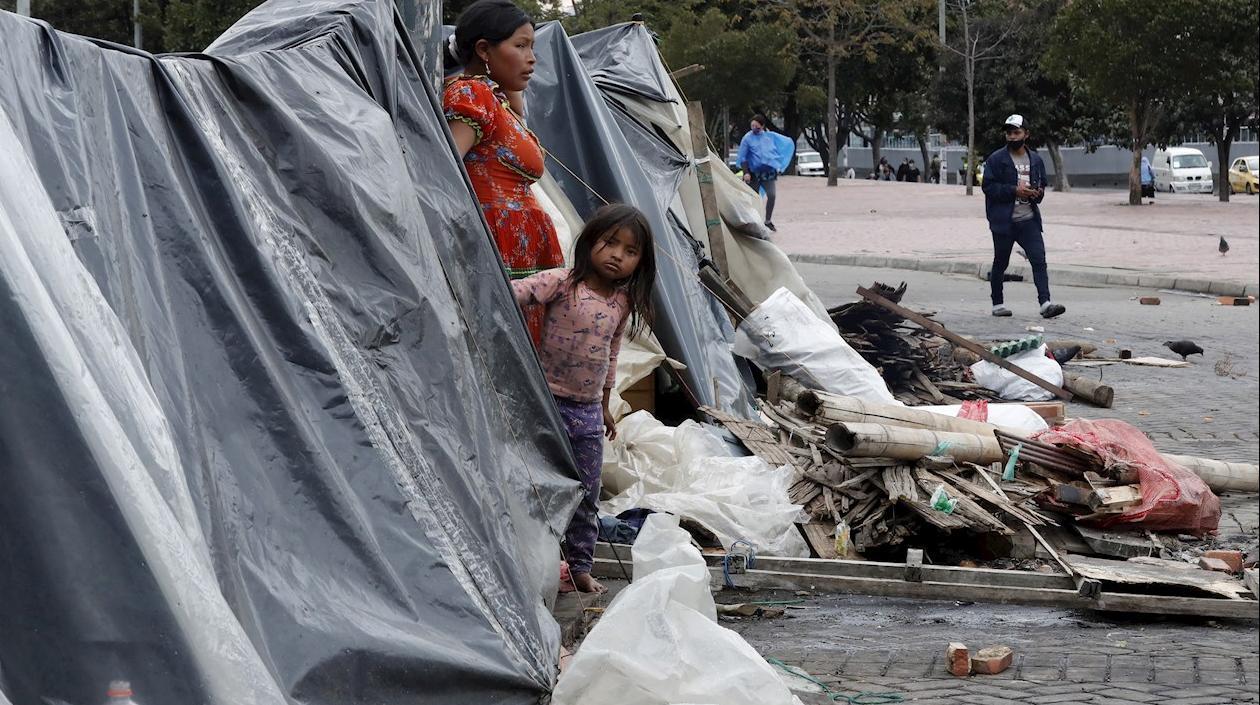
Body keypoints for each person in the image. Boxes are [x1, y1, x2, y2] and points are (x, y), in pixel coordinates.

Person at [511, 204, 657, 594]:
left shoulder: (621, 304)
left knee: (585, 493)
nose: (617, 255)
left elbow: (611, 355)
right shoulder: (563, 283)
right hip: (545, 404)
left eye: (630, 251)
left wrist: (606, 404)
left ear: (639, 262)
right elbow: (519, 293)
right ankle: (530, 560)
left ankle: (579, 567)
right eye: (611, 243)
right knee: (537, 485)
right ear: (591, 241)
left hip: (588, 410)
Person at [443, 0, 562, 345]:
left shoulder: (496, 99)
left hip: (519, 247)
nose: (532, 57)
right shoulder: (472, 93)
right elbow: (447, 167)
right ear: (484, 49)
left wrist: (505, 80)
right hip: (498, 247)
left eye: (532, 47)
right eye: (520, 46)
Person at [982, 114, 1064, 319]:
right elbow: (988, 187)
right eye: (1009, 132)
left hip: (1029, 220)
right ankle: (997, 304)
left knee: (1039, 259)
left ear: (1026, 134)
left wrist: (1037, 193)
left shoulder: (1035, 159)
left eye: (1016, 132)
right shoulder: (996, 159)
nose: (1012, 136)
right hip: (1004, 222)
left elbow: (1042, 184)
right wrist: (1014, 191)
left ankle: (1045, 303)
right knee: (1001, 262)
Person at [737, 114, 782, 231]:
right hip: (753, 174)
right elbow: (743, 157)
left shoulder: (768, 137)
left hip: (768, 173)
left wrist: (776, 165)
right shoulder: (747, 138)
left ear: (762, 126)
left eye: (757, 126)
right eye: (752, 126)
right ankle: (754, 221)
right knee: (754, 198)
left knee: (772, 195)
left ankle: (768, 220)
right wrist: (746, 172)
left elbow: (773, 152)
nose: (754, 128)